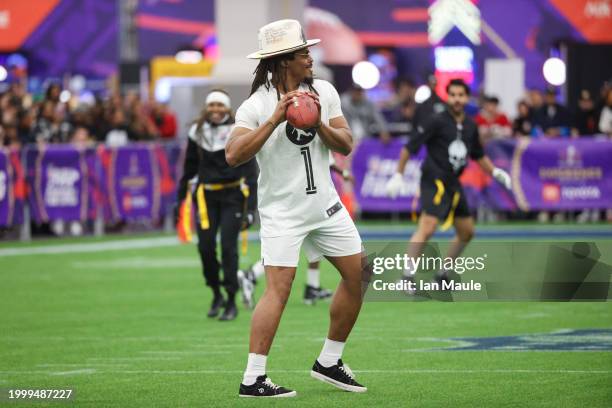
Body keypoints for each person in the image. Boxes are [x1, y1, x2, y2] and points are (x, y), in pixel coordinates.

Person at [225, 19, 367, 398]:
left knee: (359, 275)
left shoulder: (324, 90)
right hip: (282, 212)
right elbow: (233, 154)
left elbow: (347, 143)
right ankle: (253, 378)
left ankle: (329, 361)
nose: (310, 56)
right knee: (279, 290)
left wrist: (318, 122)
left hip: (326, 206)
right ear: (283, 60)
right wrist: (275, 118)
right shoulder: (256, 105)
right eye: (303, 52)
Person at [385, 78, 511, 286]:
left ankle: (442, 274)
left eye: (461, 95)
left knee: (467, 231)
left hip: (453, 182)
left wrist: (495, 172)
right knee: (428, 226)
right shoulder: (436, 120)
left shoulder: (471, 125)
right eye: (452, 95)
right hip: (434, 179)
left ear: (467, 97)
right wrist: (398, 174)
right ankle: (406, 277)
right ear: (448, 97)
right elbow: (409, 147)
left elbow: (478, 155)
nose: (457, 99)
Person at [176, 89, 257, 321]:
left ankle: (231, 299)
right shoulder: (197, 132)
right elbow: (189, 168)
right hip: (206, 198)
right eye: (211, 105)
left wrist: (250, 209)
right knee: (205, 247)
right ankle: (215, 292)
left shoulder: (238, 131)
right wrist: (180, 200)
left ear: (228, 108)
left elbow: (250, 173)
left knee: (229, 248)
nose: (215, 109)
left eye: (220, 105)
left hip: (232, 196)